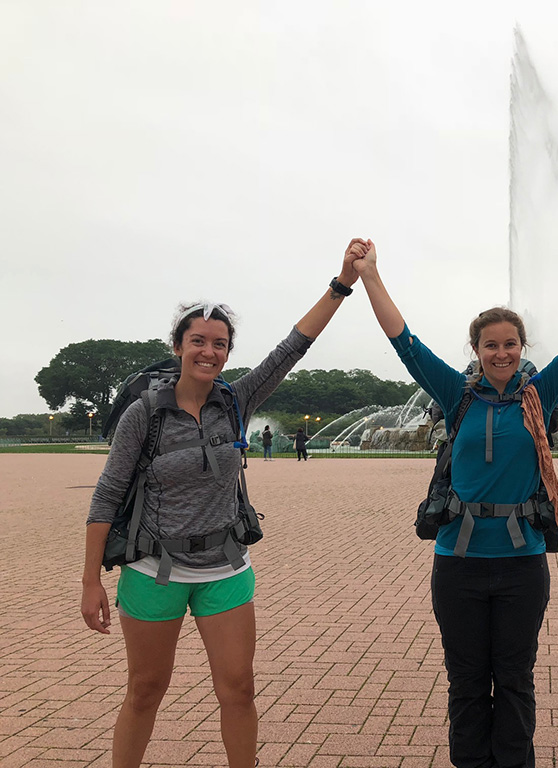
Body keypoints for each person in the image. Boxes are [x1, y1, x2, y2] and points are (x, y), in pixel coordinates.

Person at [80, 244, 363, 768]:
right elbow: (107, 495)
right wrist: (90, 580)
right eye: (198, 342)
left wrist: (342, 282)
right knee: (145, 690)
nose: (208, 352)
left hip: (226, 568)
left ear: (228, 353)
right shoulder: (144, 416)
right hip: (152, 570)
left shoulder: (236, 401)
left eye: (220, 344)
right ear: (178, 346)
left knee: (239, 689)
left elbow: (293, 347)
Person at [350, 234, 558, 768]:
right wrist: (371, 275)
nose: (502, 353)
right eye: (490, 345)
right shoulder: (457, 395)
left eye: (511, 344)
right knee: (468, 682)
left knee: (516, 679)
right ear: (476, 351)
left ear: (523, 349)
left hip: (522, 564)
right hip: (458, 563)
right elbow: (402, 340)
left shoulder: (540, 395)